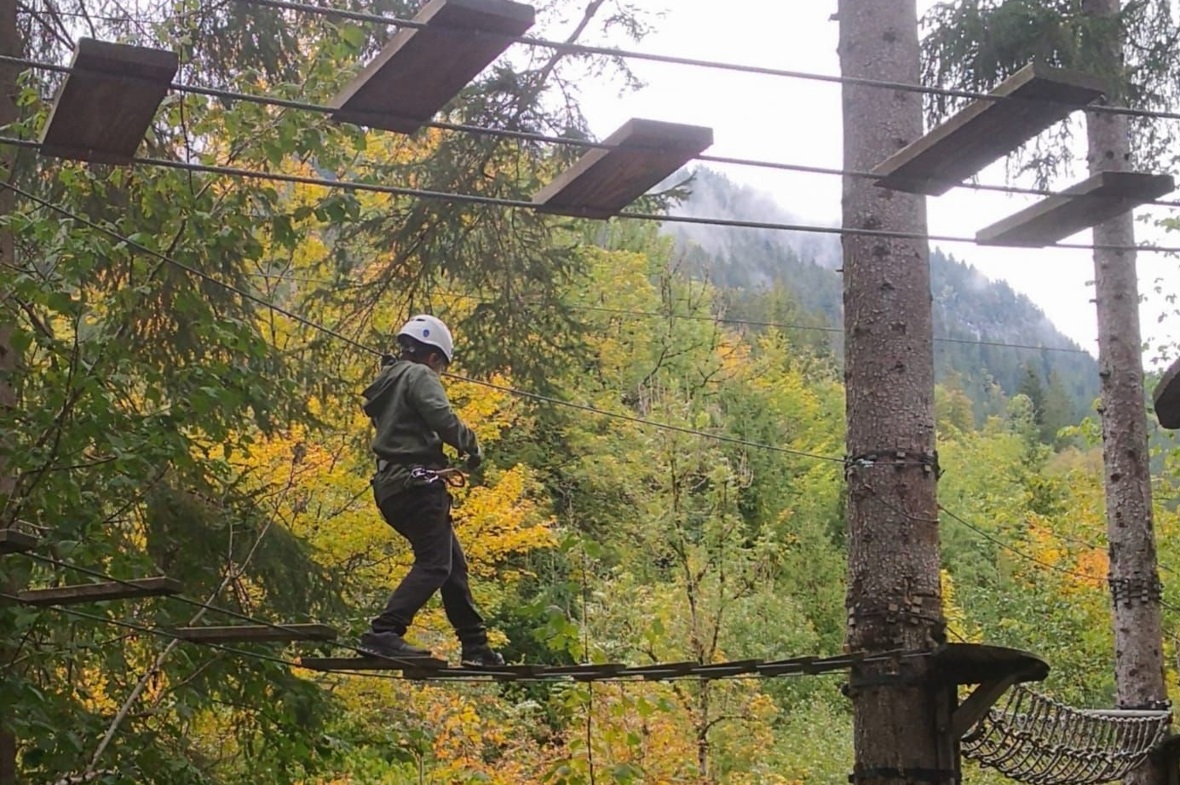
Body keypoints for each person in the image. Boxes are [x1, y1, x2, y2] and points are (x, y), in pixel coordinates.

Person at [358, 314, 505, 668]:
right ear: (434, 357)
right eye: (441, 367)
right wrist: (471, 447)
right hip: (418, 485)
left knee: (451, 566)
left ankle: (475, 646)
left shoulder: (386, 382)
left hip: (392, 487)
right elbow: (441, 416)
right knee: (436, 563)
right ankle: (384, 633)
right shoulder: (420, 374)